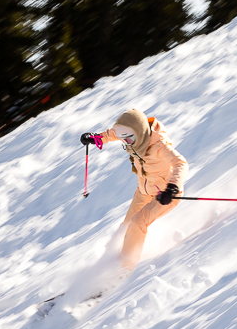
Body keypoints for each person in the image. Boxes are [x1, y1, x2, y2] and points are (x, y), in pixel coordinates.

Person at [80, 107, 188, 271]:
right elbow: (114, 134)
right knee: (126, 226)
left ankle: (125, 268)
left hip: (165, 194)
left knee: (139, 222)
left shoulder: (159, 146)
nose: (126, 143)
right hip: (144, 192)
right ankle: (111, 262)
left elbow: (181, 163)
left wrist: (172, 188)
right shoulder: (134, 136)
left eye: (128, 139)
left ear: (140, 132)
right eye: (123, 140)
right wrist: (96, 138)